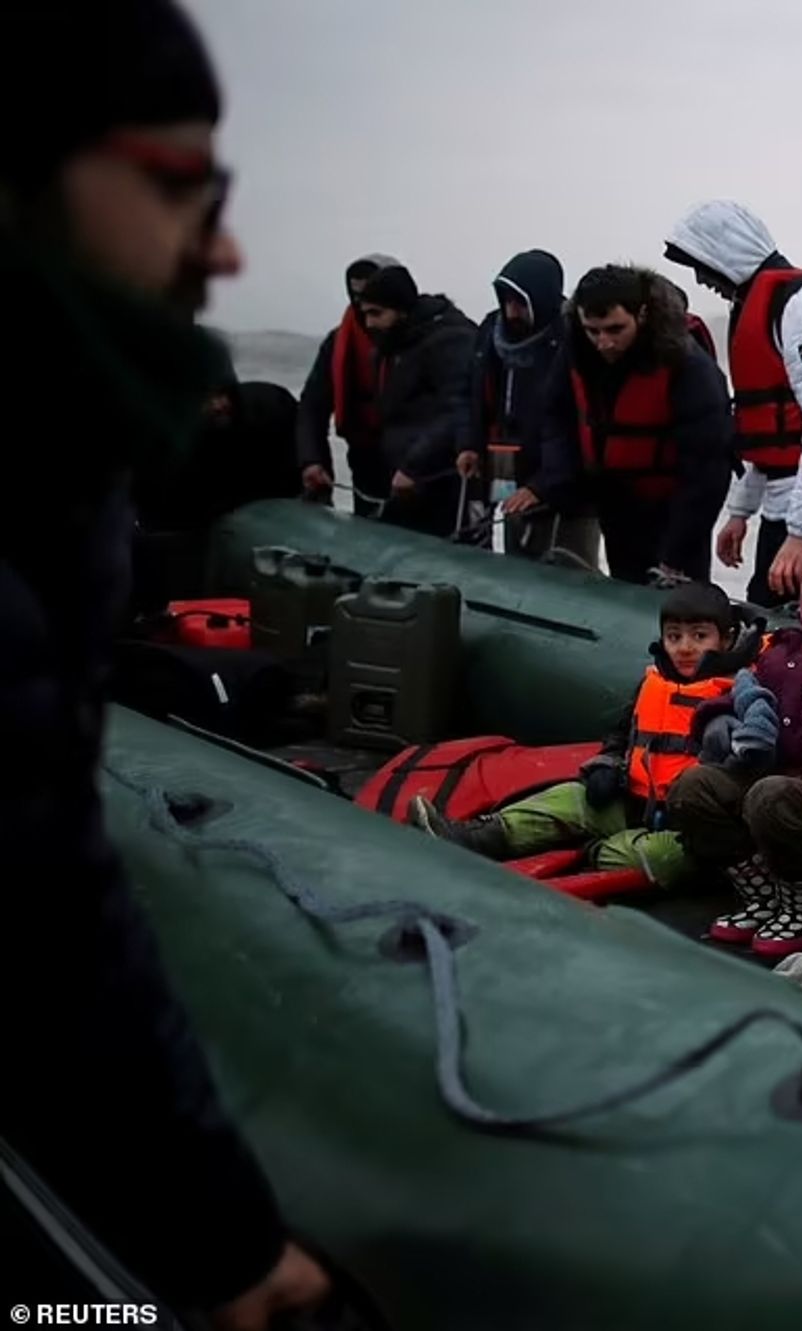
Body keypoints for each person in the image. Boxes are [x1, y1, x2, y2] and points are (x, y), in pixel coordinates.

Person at [3, 2, 330, 1324]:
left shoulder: (56, 467)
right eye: (182, 186)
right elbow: (43, 907)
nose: (229, 244)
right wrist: (226, 1237)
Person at [411, 581, 755, 882]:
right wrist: (607, 765)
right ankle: (476, 836)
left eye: (699, 636)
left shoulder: (737, 694)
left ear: (725, 639)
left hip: (688, 830)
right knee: (567, 799)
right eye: (674, 636)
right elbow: (621, 735)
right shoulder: (653, 684)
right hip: (634, 802)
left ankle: (593, 850)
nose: (684, 647)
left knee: (652, 859)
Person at [663, 547, 802, 956]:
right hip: (772, 791)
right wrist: (718, 723)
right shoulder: (782, 656)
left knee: (774, 795)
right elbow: (741, 695)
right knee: (694, 786)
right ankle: (764, 895)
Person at [663, 201, 802, 607]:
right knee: (768, 615)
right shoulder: (755, 307)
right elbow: (761, 433)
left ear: (725, 255)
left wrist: (801, 535)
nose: (701, 280)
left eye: (703, 267)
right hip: (790, 502)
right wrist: (740, 512)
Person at [519, 264, 732, 584]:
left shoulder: (686, 364)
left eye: (615, 329)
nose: (604, 342)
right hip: (616, 505)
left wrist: (676, 553)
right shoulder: (576, 352)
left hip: (674, 509)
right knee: (624, 586)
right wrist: (551, 482)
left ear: (642, 315)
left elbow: (709, 467)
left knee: (681, 610)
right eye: (593, 330)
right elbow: (557, 420)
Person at [303, 262, 479, 539]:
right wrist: (312, 458)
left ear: (401, 309)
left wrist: (414, 467)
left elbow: (457, 409)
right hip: (388, 473)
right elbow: (312, 404)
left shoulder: (447, 340)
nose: (369, 323)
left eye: (376, 313)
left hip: (437, 480)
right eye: (365, 313)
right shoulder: (390, 346)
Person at [459, 248, 599, 565]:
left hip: (568, 495)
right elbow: (470, 395)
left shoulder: (575, 340)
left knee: (572, 578)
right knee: (517, 571)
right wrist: (469, 445)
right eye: (506, 302)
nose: (511, 313)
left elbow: (581, 427)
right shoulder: (490, 333)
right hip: (510, 478)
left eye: (520, 303)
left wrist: (544, 486)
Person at [130, 350, 299, 607]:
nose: (219, 404)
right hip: (182, 531)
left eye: (223, 393)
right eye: (206, 396)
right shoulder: (156, 442)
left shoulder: (269, 409)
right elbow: (154, 516)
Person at [296, 251, 397, 504]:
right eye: (357, 295)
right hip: (366, 457)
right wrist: (312, 460)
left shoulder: (425, 339)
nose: (363, 304)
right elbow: (312, 405)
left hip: (418, 468)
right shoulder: (338, 343)